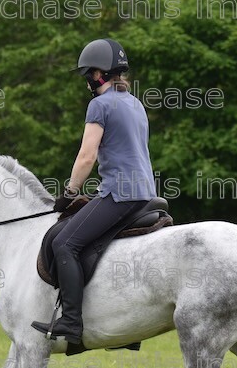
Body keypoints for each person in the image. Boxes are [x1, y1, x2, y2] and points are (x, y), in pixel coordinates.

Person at [31, 38, 158, 345]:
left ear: (98, 73)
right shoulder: (135, 103)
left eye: (88, 74)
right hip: (145, 193)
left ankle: (72, 322)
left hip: (119, 195)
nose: (87, 80)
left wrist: (70, 191)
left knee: (64, 244)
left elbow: (87, 156)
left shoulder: (99, 105)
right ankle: (128, 329)